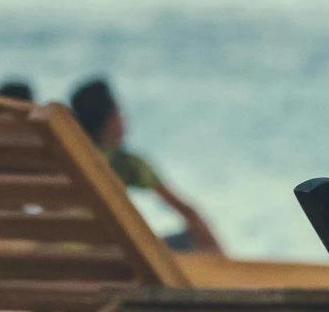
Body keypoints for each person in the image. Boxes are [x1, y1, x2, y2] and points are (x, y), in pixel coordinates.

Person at [68, 78, 225, 255]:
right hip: (115, 260)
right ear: (110, 120)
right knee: (197, 234)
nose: (124, 121)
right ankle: (234, 278)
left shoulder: (64, 159)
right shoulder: (126, 163)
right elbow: (187, 212)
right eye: (119, 113)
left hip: (61, 257)